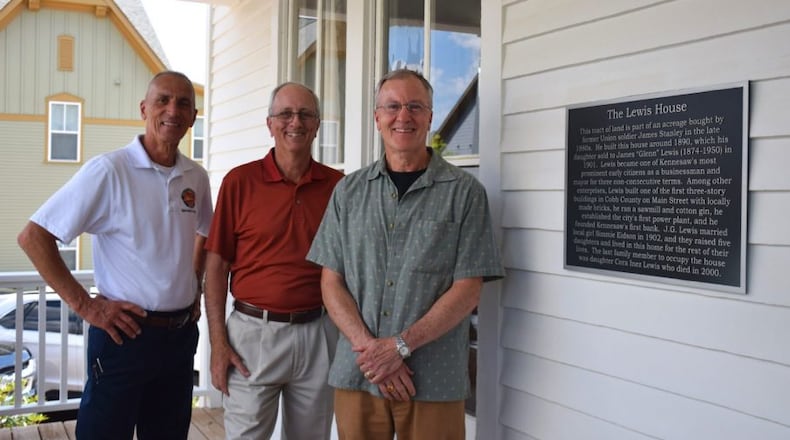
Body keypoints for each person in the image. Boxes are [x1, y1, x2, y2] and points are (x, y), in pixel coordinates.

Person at [306, 68, 505, 440]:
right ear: (377, 117)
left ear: (430, 117)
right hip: (359, 373)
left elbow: (468, 289)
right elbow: (331, 281)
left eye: (415, 106)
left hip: (434, 378)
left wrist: (400, 346)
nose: (404, 116)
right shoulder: (348, 193)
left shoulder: (465, 194)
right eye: (393, 106)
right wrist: (375, 353)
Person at [17, 71, 212, 439]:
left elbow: (203, 232)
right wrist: (87, 307)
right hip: (125, 335)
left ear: (193, 115)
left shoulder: (196, 177)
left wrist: (195, 286)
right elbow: (33, 236)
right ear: (144, 109)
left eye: (183, 103)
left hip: (180, 337)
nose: (173, 110)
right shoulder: (110, 170)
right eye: (163, 100)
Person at [204, 82, 344, 439]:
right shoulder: (240, 182)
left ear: (316, 125)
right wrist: (218, 345)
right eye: (285, 114)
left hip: (318, 333)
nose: (294, 122)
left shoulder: (337, 187)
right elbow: (216, 269)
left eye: (305, 114)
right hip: (252, 334)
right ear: (270, 124)